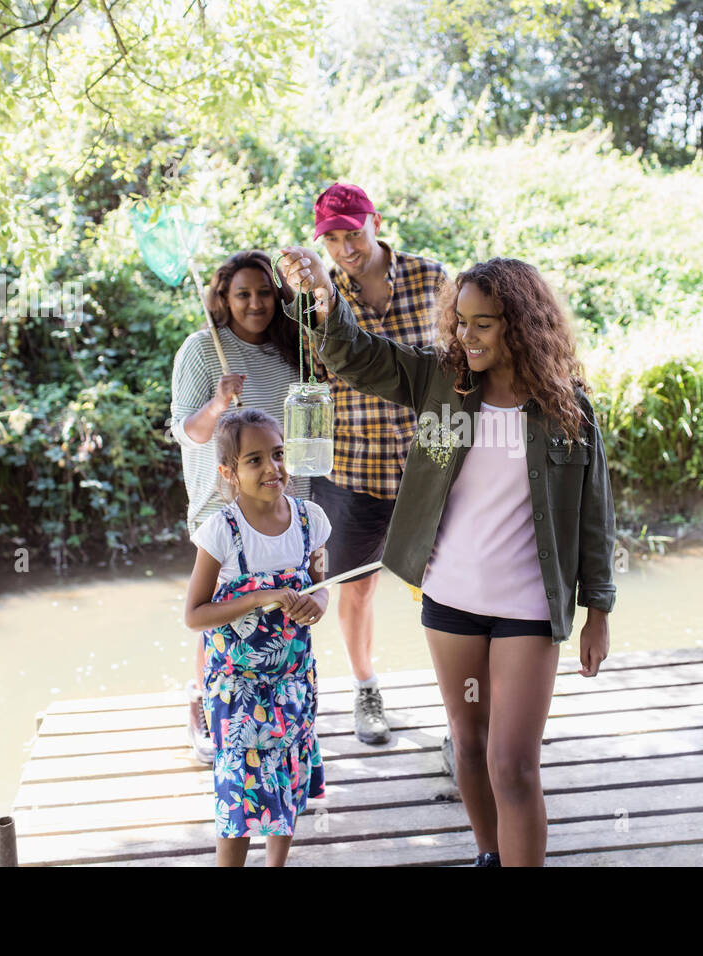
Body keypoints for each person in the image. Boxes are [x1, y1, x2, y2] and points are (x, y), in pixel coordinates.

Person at [279, 249, 616, 867]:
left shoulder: (569, 408)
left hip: (528, 607)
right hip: (450, 599)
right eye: (460, 321)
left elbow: (594, 517)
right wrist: (325, 294)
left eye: (482, 323)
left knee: (512, 765)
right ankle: (490, 853)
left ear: (520, 323)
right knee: (468, 742)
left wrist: (598, 610)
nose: (466, 334)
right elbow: (358, 356)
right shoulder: (442, 381)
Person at [306, 183, 450, 745]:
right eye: (332, 239)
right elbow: (311, 377)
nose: (345, 248)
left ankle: (460, 704)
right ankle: (366, 687)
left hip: (431, 467)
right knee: (356, 587)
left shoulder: (434, 278)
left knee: (449, 587)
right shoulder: (320, 293)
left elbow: (462, 362)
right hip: (353, 470)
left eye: (353, 233)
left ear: (376, 223)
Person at [168, 250, 316, 763]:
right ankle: (204, 704)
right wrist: (218, 403)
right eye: (242, 294)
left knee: (283, 603)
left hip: (285, 495)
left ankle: (278, 707)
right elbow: (187, 433)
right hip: (224, 501)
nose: (255, 303)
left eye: (265, 293)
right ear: (223, 299)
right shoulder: (202, 350)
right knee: (223, 608)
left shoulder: (293, 349)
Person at [183, 407, 331, 866]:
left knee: (286, 781)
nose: (273, 468)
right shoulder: (221, 531)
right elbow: (194, 615)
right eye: (254, 460)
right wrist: (257, 597)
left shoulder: (311, 521)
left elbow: (321, 582)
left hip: (293, 681)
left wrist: (318, 604)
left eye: (279, 454)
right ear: (229, 473)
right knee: (240, 796)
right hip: (237, 690)